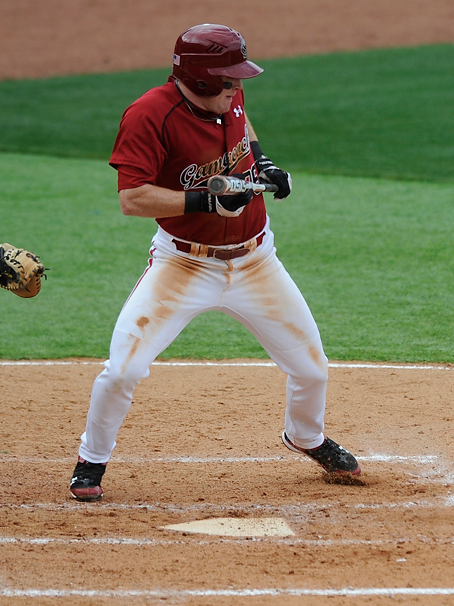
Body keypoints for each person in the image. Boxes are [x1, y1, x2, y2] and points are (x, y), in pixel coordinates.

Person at [69, 23, 360, 502]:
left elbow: (245, 123)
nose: (237, 87)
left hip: (256, 262)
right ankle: (91, 459)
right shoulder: (149, 116)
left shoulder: (229, 96)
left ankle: (305, 438)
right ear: (200, 80)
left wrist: (263, 164)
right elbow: (132, 198)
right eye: (228, 79)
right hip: (183, 266)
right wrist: (204, 204)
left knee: (311, 371)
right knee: (123, 370)